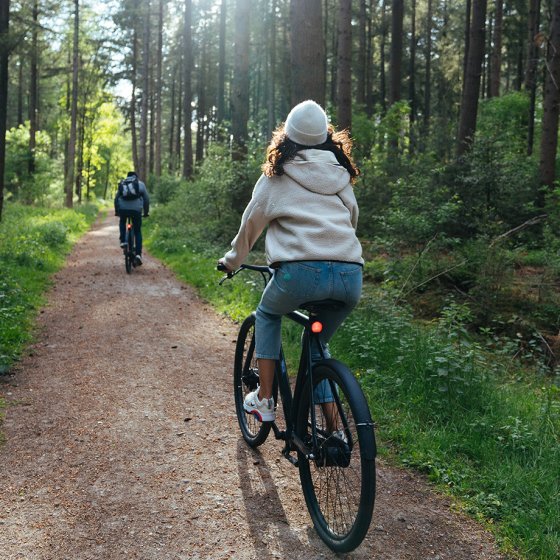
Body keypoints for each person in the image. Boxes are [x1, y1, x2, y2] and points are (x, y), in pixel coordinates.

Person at [219, 99, 363, 422]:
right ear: (326, 136)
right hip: (349, 275)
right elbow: (351, 220)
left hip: (298, 274)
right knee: (316, 342)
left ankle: (265, 400)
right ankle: (334, 429)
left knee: (267, 314)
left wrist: (231, 261)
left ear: (288, 136)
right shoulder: (340, 174)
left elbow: (250, 227)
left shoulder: (277, 175)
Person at [114, 171, 150, 266]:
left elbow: (116, 198)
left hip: (123, 209)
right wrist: (146, 212)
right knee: (137, 231)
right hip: (136, 211)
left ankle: (123, 241)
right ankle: (138, 254)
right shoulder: (140, 184)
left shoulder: (123, 183)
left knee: (122, 221)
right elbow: (146, 199)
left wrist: (117, 211)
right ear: (136, 177)